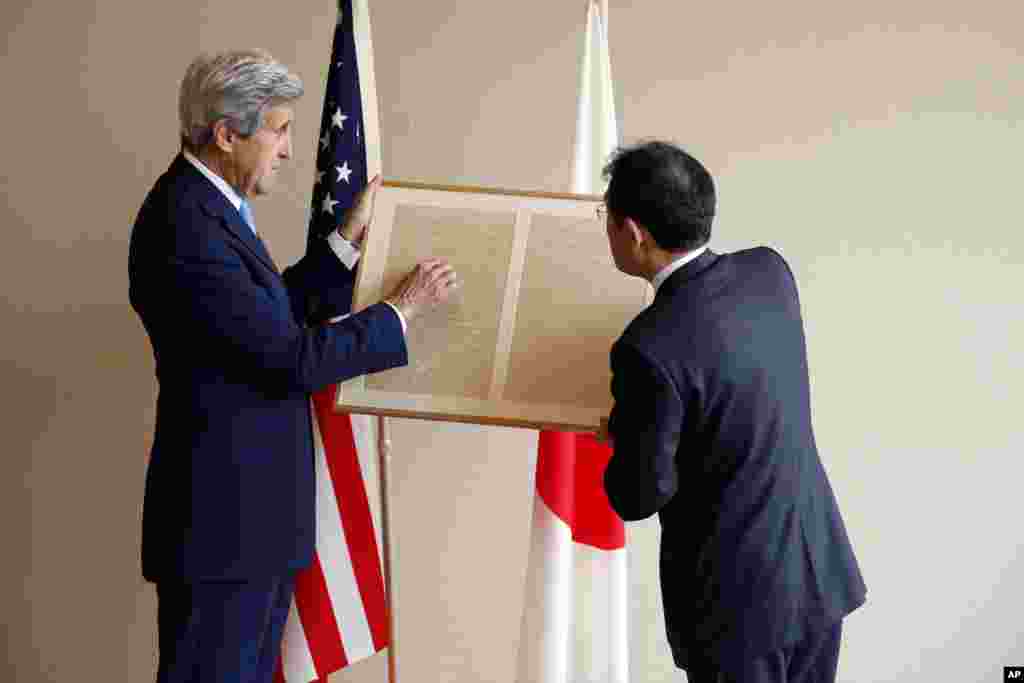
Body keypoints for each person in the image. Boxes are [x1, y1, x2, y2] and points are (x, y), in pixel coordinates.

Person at [128, 49, 457, 683]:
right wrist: (398, 312)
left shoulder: (206, 208)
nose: (287, 148)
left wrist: (343, 241)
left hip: (246, 525)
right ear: (227, 135)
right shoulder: (186, 225)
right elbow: (287, 357)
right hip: (224, 530)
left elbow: (263, 316)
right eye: (278, 129)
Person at [598, 141, 866, 683]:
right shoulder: (770, 273)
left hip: (736, 612)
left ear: (634, 232)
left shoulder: (647, 347)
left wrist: (623, 435)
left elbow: (637, 496)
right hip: (816, 576)